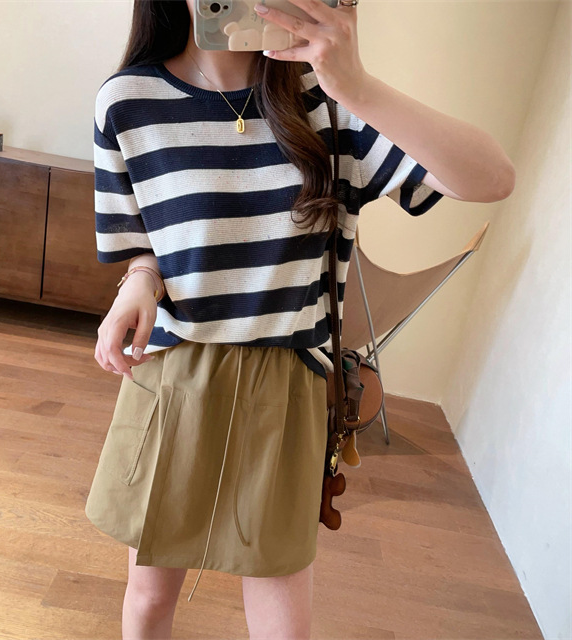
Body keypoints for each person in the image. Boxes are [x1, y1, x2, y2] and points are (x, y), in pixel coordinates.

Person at [86, 0, 516, 638]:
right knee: (149, 598)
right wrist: (141, 282)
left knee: (284, 624)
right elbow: (140, 240)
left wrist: (357, 85)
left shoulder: (331, 105)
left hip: (287, 387)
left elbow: (493, 178)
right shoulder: (127, 102)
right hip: (174, 376)